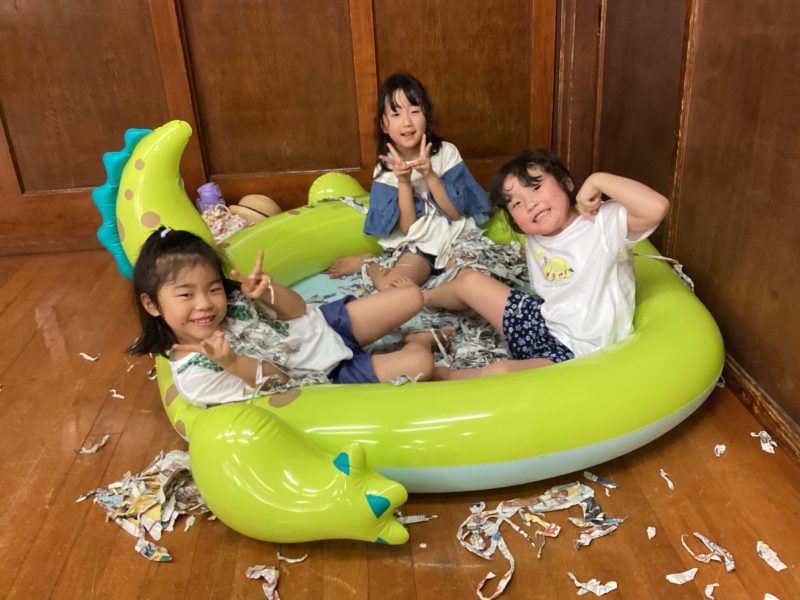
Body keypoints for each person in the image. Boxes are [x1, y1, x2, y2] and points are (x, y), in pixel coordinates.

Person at [423, 149, 670, 380]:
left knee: (500, 372)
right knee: (469, 280)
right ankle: (420, 301)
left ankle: (441, 377)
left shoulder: (601, 223)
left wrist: (597, 180)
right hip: (542, 323)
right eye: (516, 204)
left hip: (579, 353)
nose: (530, 204)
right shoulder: (535, 234)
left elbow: (657, 208)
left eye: (536, 188)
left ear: (567, 183)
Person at [128, 228, 434, 407]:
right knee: (420, 362)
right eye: (185, 295)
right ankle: (418, 341)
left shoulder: (232, 304)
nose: (204, 304)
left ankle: (402, 341)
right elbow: (281, 381)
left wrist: (267, 291)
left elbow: (298, 310)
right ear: (151, 304)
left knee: (411, 296)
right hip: (325, 376)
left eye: (213, 288)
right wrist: (232, 362)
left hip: (325, 326)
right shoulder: (196, 377)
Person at [327, 73, 490, 289]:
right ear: (384, 125)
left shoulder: (446, 152)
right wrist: (403, 182)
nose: (407, 122)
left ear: (426, 116)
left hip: (457, 237)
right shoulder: (385, 170)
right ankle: (370, 262)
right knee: (391, 287)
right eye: (396, 114)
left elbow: (454, 213)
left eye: (414, 111)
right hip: (418, 243)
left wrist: (429, 175)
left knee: (472, 285)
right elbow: (408, 228)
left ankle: (430, 296)